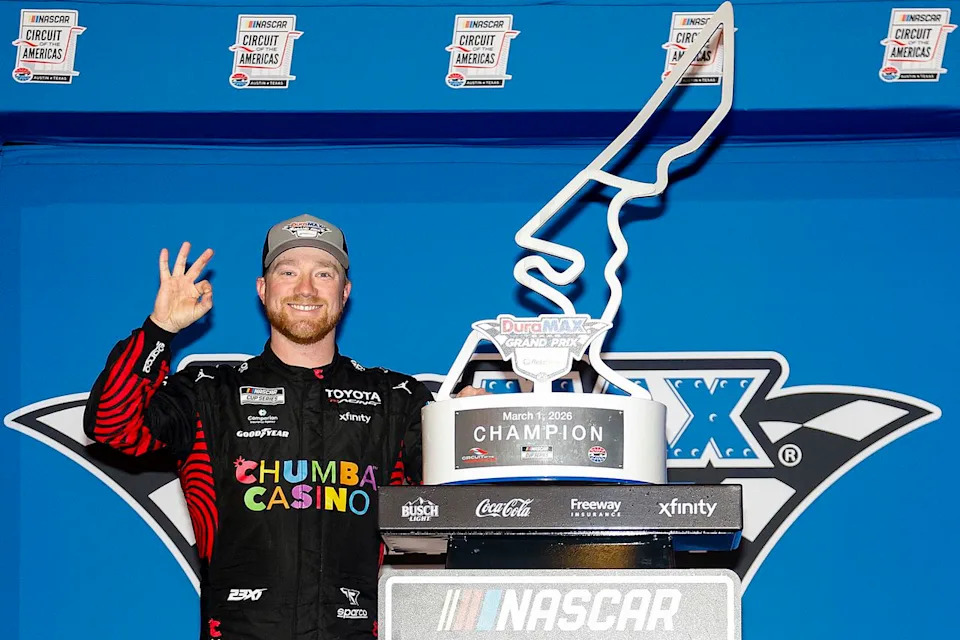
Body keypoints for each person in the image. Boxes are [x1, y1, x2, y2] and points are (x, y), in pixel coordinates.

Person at [84, 214, 482, 640]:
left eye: (323, 274)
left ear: (345, 292)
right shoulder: (209, 392)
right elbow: (112, 426)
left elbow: (456, 500)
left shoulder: (395, 399)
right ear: (263, 289)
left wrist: (467, 430)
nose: (305, 288)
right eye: (288, 272)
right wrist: (159, 331)